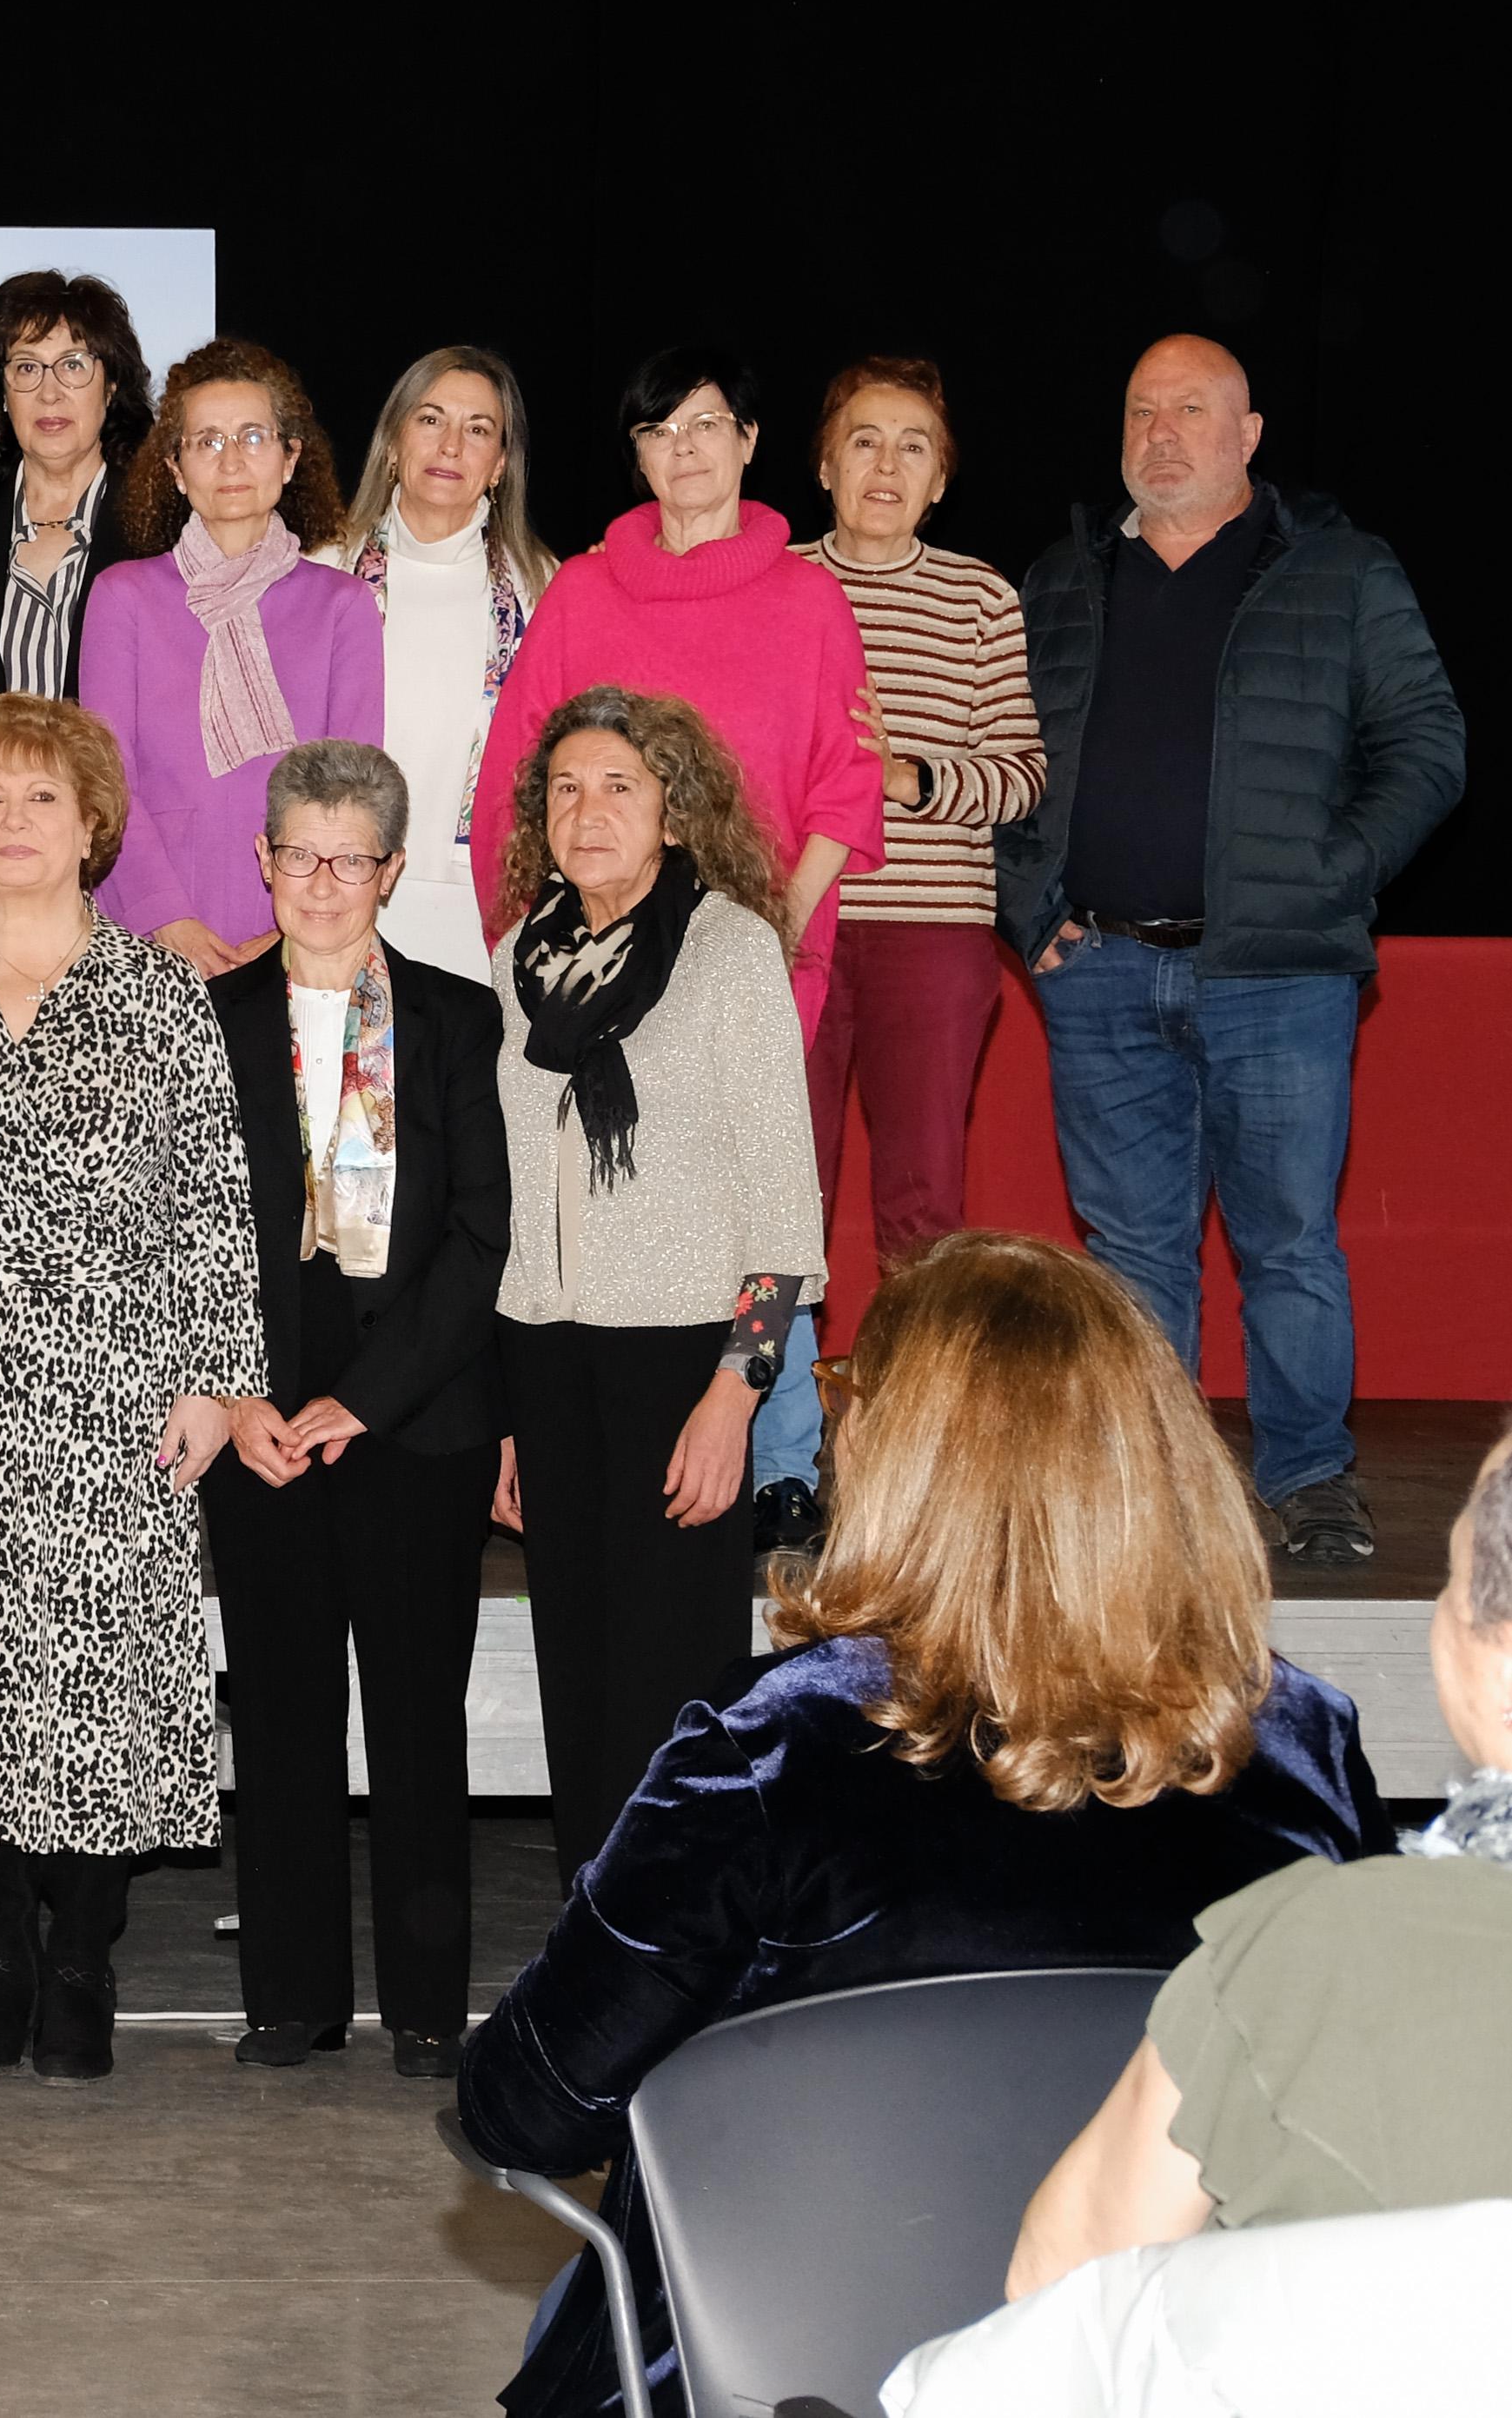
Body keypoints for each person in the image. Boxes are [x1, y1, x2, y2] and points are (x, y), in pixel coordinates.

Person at [454, 1232, 1377, 2418]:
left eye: (845, 1394)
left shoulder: (770, 1749)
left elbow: (524, 2105)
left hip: (799, 2374)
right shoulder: (1300, 1748)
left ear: (895, 1455)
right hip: (1176, 2372)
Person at [1000, 335, 1466, 1573]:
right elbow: (1003, 761)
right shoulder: (1058, 579)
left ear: (1248, 434)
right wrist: (1027, 904)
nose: (1160, 432)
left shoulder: (1340, 569)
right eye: (1140, 409)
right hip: (1098, 969)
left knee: (1288, 1242)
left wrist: (1333, 871)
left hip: (1280, 973)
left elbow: (1428, 742)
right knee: (1130, 1254)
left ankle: (1307, 1477)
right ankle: (1153, 1492)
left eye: (1191, 409)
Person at [0, 692, 262, 2078]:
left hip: (114, 1378)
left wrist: (214, 1380)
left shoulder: (158, 994)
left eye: (43, 798)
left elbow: (211, 1197)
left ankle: (82, 1958)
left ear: (91, 825)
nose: (15, 821)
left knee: (99, 1678)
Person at [999, 1418, 1512, 2296]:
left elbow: (1056, 2290)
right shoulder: (1306, 1738)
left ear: (1497, 1660)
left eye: (1454, 1579)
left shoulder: (1320, 1951)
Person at [199, 740, 510, 2075]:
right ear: (262, 861)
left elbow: (481, 1234)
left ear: (392, 869)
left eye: (350, 856)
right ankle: (292, 1994)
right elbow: (182, 1228)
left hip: (414, 1412)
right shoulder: (205, 1019)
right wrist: (237, 1392)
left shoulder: (456, 1019)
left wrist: (363, 1402)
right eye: (298, 852)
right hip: (256, 1413)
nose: (321, 880)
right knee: (279, 1710)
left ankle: (428, 2004)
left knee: (416, 1712)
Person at [488, 681, 827, 1882]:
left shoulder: (730, 950)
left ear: (674, 813)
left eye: (617, 787)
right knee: (576, 1682)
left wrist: (736, 1396)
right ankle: (596, 1929)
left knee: (671, 1689)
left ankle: (678, 1940)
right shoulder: (517, 958)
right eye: (564, 788)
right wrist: (505, 1413)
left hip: (682, 1363)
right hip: (546, 1355)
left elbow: (784, 1218)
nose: (586, 810)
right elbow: (512, 1201)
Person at [795, 355, 1043, 1551]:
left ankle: (913, 1450)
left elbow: (1020, 774)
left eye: (912, 447)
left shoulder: (979, 598)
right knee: (777, 1203)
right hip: (787, 930)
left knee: (920, 1211)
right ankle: (777, 1450)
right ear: (822, 463)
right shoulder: (776, 582)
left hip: (932, 929)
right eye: (863, 440)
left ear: (940, 480)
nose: (884, 465)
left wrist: (905, 776)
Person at [470, 343, 883, 1036]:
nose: (682, 446)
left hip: (754, 958)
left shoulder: (812, 602)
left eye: (705, 424)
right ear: (638, 457)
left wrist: (772, 934)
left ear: (747, 439)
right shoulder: (580, 592)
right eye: (657, 430)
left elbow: (846, 790)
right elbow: (513, 780)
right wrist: (526, 935)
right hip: (588, 961)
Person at [83, 337, 385, 978]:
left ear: (289, 457)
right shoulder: (122, 596)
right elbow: (105, 780)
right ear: (175, 468)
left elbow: (352, 794)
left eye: (252, 436)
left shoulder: (344, 605)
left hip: (301, 929)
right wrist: (166, 919)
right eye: (207, 441)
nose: (231, 460)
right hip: (148, 929)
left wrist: (291, 931)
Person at [334, 345, 555, 985]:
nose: (451, 445)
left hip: (484, 908)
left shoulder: (546, 589)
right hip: (339, 892)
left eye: (478, 429)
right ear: (393, 442)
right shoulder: (322, 571)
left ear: (500, 465)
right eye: (430, 419)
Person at [0, 269, 154, 702]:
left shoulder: (162, 525)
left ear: (111, 386)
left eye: (73, 365)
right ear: (3, 394)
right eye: (27, 367)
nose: (49, 392)